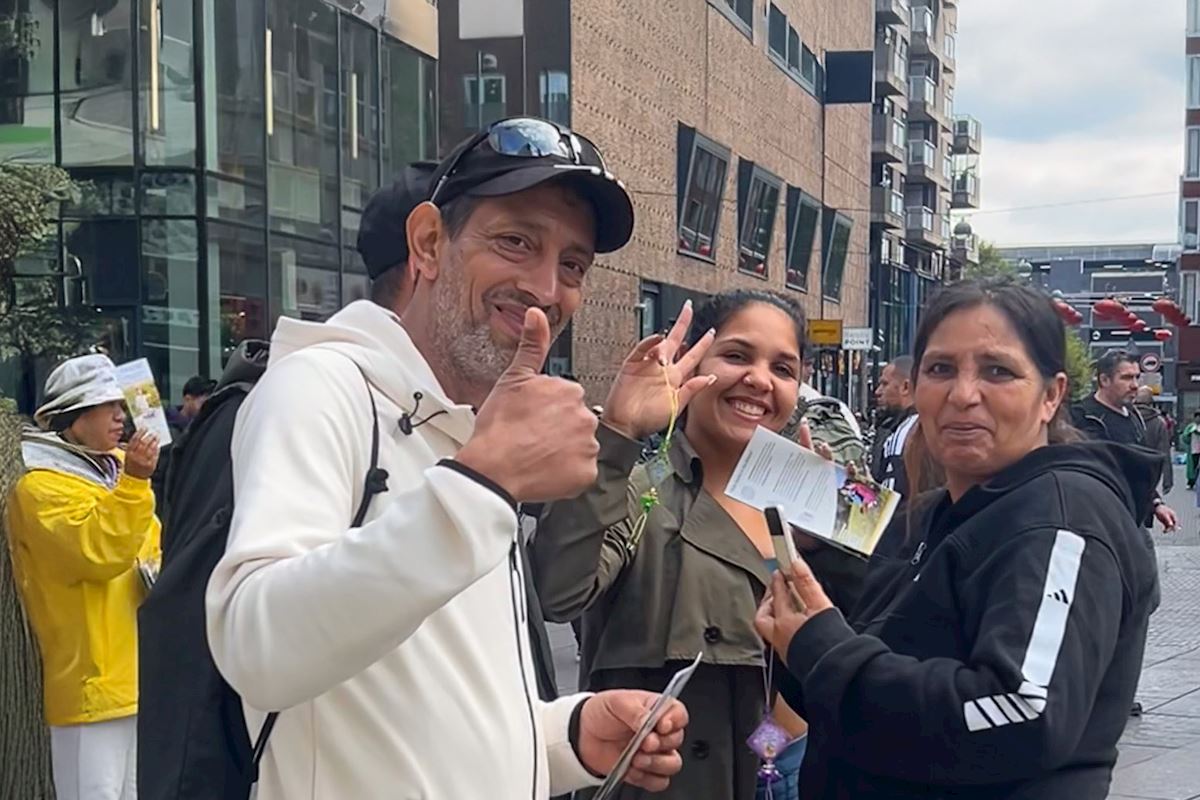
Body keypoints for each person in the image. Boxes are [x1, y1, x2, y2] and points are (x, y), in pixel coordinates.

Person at [204, 117, 688, 799]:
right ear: (429, 243)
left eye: (572, 265)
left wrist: (566, 737)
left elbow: (428, 714)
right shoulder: (320, 387)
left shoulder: (468, 433)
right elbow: (255, 649)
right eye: (516, 241)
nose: (546, 287)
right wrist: (483, 485)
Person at [754, 279, 1160, 800]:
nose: (963, 395)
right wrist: (815, 584)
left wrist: (822, 649)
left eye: (998, 371)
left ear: (1051, 395)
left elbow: (1023, 716)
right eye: (941, 369)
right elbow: (856, 691)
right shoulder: (933, 513)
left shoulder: (1062, 517)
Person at [533, 290, 867, 800]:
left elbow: (880, 647)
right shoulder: (639, 489)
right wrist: (618, 432)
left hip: (798, 768)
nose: (759, 379)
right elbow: (555, 593)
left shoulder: (822, 495)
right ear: (692, 364)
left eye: (783, 368)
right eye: (736, 355)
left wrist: (832, 540)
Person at [6, 354, 162, 800]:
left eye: (120, 403)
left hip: (135, 672)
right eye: (106, 405)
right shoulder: (39, 488)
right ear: (74, 417)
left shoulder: (115, 471)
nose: (120, 414)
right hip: (90, 681)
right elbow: (97, 553)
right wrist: (135, 482)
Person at [1072, 350, 1178, 532]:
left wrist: (1156, 504)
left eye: (1137, 377)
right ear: (1104, 380)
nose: (1135, 385)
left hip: (1131, 520)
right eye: (1127, 378)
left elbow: (1138, 470)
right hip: (1094, 522)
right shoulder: (1082, 416)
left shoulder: (1134, 416)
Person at [870, 355, 918, 496]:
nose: (878, 392)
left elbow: (888, 497)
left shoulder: (903, 432)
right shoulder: (927, 426)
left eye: (885, 384)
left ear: (905, 387)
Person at [1134, 387, 1173, 495]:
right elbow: (1165, 452)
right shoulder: (1159, 423)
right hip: (1151, 470)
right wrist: (1167, 481)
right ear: (1151, 403)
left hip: (1130, 467)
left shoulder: (1128, 418)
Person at [1182, 410, 1200, 490]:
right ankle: (1191, 482)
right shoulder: (1191, 426)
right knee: (1193, 466)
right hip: (1193, 449)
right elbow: (1184, 437)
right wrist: (1189, 434)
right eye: (1197, 417)